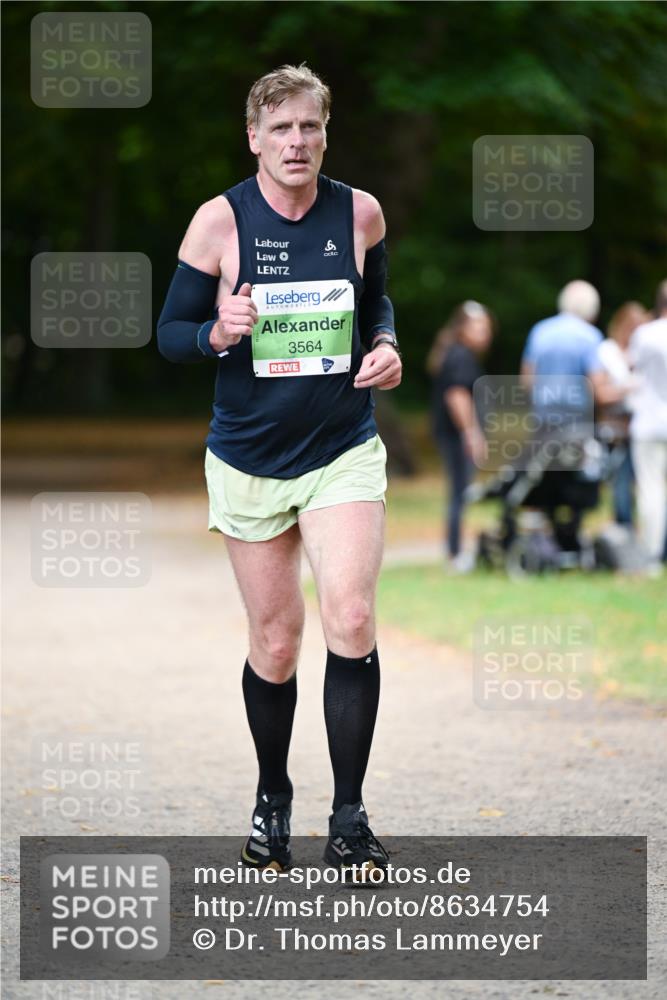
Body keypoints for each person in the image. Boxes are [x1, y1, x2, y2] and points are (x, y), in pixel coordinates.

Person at [157, 64, 401, 875]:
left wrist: (386, 345)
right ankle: (272, 796)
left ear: (325, 133)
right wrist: (216, 331)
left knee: (351, 618)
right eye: (280, 128)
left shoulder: (358, 212)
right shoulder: (218, 222)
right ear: (254, 138)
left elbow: (375, 301)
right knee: (275, 639)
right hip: (249, 456)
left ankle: (349, 817)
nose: (296, 142)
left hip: (341, 448)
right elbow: (170, 334)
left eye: (309, 126)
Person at [520, 280, 628, 552]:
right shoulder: (589, 337)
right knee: (578, 486)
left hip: (543, 423)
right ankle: (570, 538)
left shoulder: (540, 331)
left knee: (544, 482)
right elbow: (598, 389)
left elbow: (527, 381)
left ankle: (545, 543)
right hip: (577, 426)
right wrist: (629, 390)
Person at [427, 301, 493, 572]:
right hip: (456, 436)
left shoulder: (454, 354)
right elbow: (457, 395)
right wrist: (471, 433)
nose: (485, 334)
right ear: (463, 328)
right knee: (459, 493)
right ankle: (454, 554)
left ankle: (455, 551)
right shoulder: (461, 357)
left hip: (451, 435)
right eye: (479, 327)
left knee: (458, 493)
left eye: (487, 328)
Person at [628, 280, 667, 575]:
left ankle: (651, 556)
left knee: (651, 490)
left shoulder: (645, 334)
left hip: (649, 422)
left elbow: (632, 373)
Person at [597, 302, 648, 526]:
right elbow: (600, 393)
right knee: (620, 481)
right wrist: (628, 388)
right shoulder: (607, 351)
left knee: (643, 483)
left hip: (641, 428)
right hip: (615, 429)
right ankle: (623, 525)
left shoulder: (642, 352)